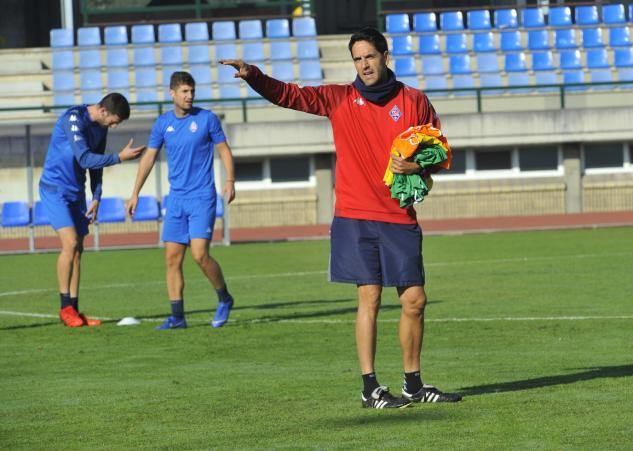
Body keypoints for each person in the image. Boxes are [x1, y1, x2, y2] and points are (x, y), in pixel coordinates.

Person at [219, 27, 461, 408]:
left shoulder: (414, 101)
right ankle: (370, 389)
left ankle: (413, 385)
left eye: (369, 56)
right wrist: (254, 76)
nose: (364, 64)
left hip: (398, 216)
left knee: (415, 300)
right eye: (357, 59)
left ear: (385, 56)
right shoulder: (339, 98)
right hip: (354, 216)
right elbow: (289, 95)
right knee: (370, 297)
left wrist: (415, 166)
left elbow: (438, 153)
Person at [125, 71, 236, 330]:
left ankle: (224, 297)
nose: (189, 96)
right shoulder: (163, 124)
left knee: (199, 255)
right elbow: (149, 158)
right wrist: (135, 193)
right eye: (184, 92)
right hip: (176, 200)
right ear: (172, 93)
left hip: (202, 198)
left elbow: (224, 150)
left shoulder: (207, 119)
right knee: (172, 259)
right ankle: (177, 317)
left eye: (192, 91)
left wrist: (230, 180)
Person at [39, 93, 145, 327]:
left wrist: (96, 196)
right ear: (104, 111)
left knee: (78, 250)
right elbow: (86, 159)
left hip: (77, 191)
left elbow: (95, 166)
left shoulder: (101, 127)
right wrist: (119, 157)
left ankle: (74, 311)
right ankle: (64, 307)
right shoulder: (73, 118)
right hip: (54, 189)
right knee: (69, 243)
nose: (115, 126)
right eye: (115, 121)